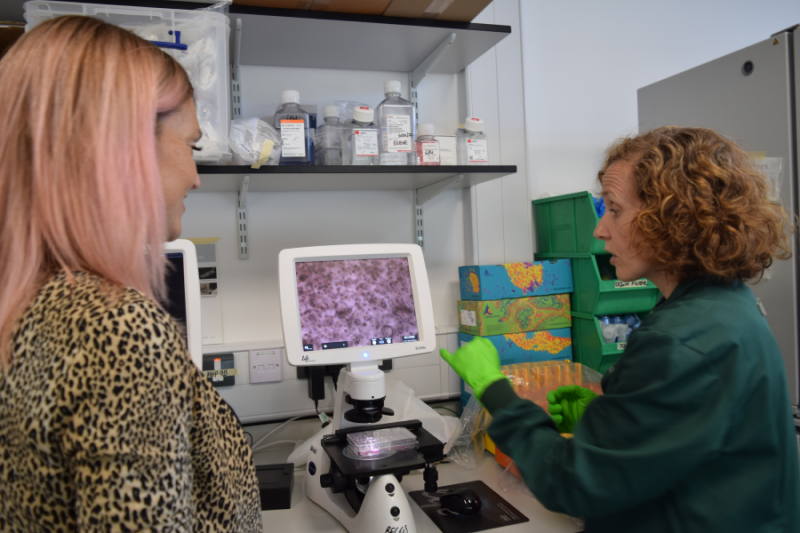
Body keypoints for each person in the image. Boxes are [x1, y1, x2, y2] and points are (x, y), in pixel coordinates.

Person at [442, 126, 800, 532]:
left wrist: (494, 391)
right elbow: (687, 431)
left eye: (614, 209)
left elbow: (573, 483)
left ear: (672, 218)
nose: (600, 229)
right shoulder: (722, 302)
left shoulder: (682, 339)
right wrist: (605, 413)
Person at [0, 16, 261, 531]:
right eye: (189, 147)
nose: (195, 177)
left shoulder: (31, 305)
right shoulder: (117, 330)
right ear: (124, 149)